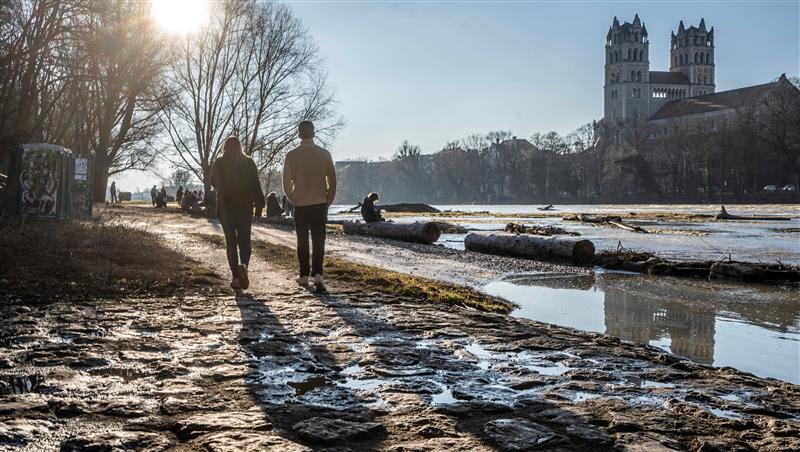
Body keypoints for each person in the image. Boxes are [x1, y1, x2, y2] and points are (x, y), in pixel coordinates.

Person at [283, 121, 337, 292]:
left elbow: (286, 182)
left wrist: (293, 198)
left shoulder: (291, 155)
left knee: (302, 240)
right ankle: (318, 274)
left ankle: (304, 274)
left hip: (301, 204)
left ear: (299, 134)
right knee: (319, 240)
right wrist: (328, 199)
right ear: (314, 133)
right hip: (320, 202)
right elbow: (333, 181)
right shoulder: (324, 153)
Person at [211, 136, 265, 291]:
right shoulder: (248, 162)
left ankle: (235, 277)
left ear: (225, 147)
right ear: (240, 147)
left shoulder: (219, 162)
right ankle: (245, 266)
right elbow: (256, 185)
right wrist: (259, 206)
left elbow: (213, 182)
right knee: (245, 242)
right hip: (244, 208)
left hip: (226, 209)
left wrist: (224, 188)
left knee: (231, 243)